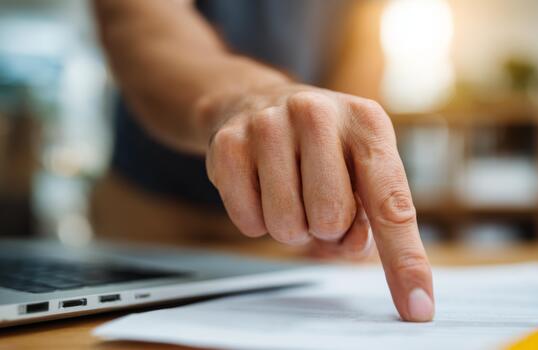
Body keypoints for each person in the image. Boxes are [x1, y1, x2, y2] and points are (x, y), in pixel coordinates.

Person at [93, 0, 434, 322]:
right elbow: (140, 23)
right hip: (148, 209)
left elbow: (361, 39)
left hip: (283, 218)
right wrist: (249, 98)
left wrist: (340, 169)